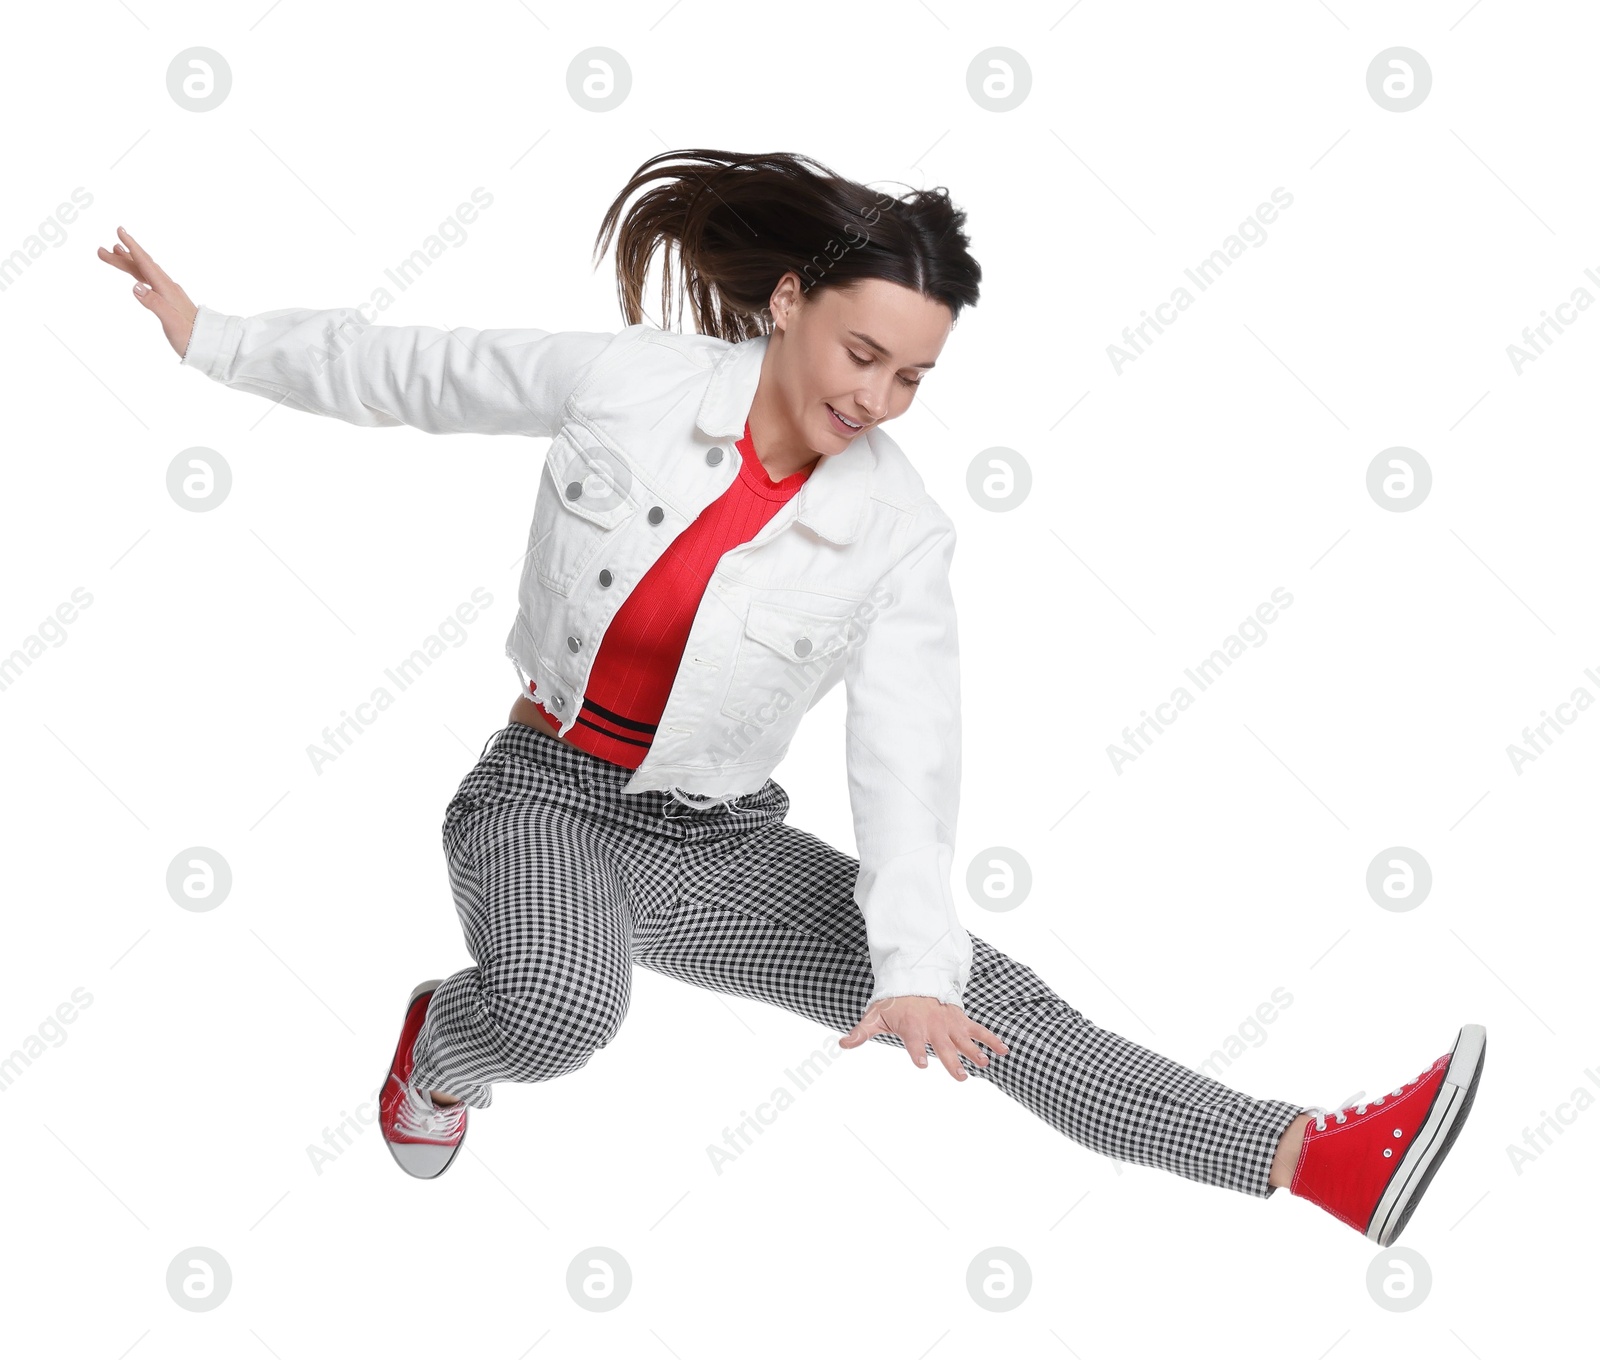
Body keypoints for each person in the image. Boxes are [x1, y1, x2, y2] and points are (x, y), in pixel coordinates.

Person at [99, 148, 1485, 1246]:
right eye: (862, 354)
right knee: (568, 1013)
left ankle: (1317, 1163)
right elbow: (414, 372)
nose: (879, 396)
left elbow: (908, 760)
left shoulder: (901, 533)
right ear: (788, 308)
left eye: (914, 377)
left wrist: (917, 972)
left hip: (715, 844)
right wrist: (212, 336)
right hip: (543, 793)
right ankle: (443, 1050)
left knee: (989, 1002)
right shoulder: (630, 382)